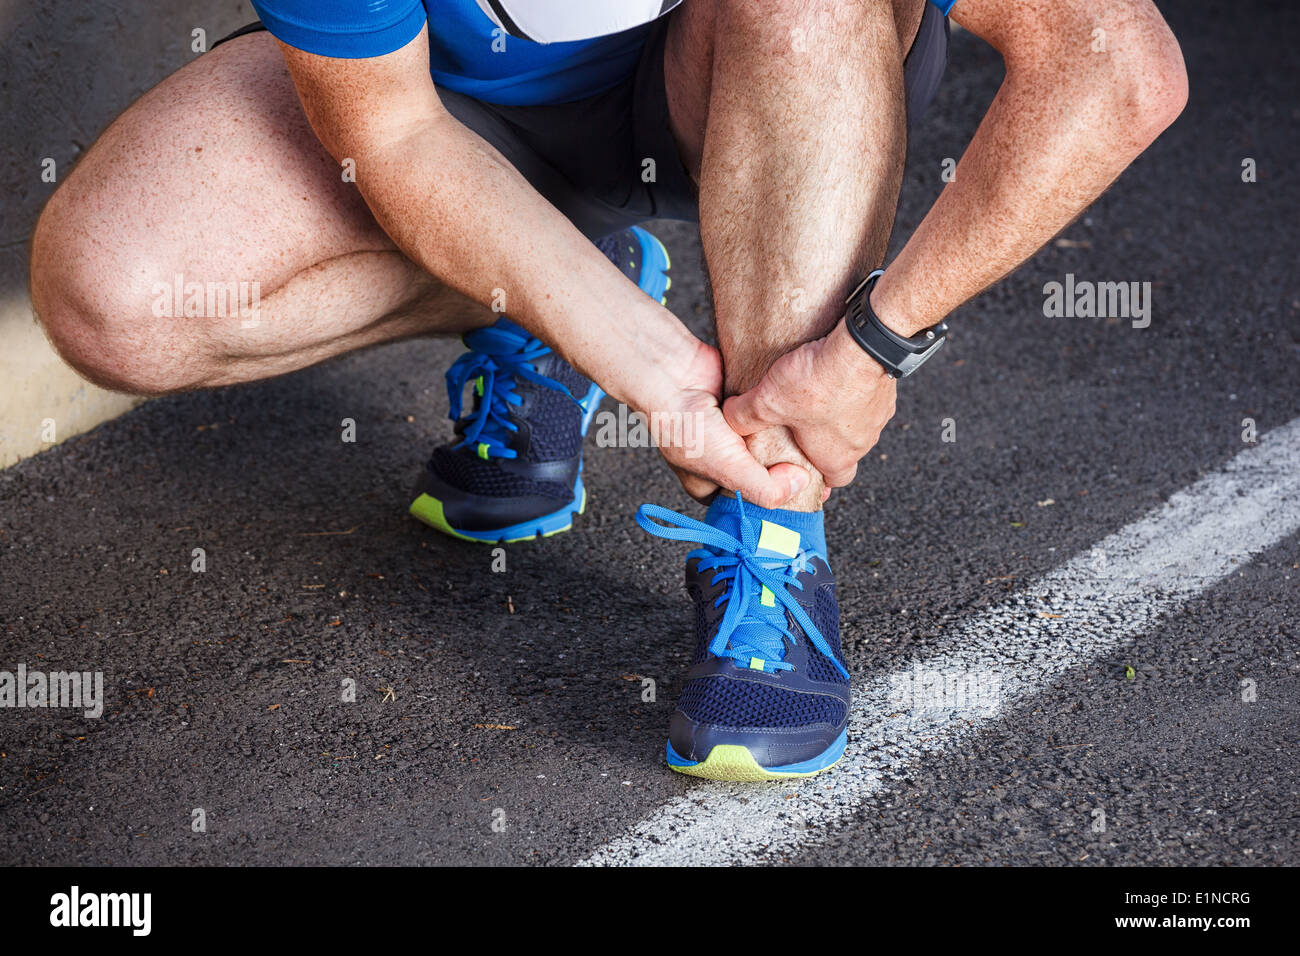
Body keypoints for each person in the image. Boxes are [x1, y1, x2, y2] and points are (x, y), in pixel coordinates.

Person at [28, 0, 1186, 780]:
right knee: (115, 295)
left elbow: (1115, 67)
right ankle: (546, 298)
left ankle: (770, 522)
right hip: (464, 116)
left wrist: (867, 349)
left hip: (762, 77)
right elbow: (386, 136)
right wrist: (621, 342)